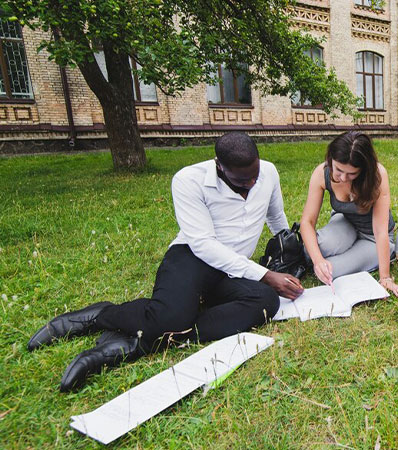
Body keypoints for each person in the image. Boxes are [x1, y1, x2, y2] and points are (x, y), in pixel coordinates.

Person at [27, 132, 304, 392]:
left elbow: (275, 217)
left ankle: (144, 338)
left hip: (233, 270)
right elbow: (203, 244)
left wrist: (289, 246)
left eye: (254, 177)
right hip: (192, 259)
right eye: (243, 181)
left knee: (266, 302)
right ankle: (100, 316)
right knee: (173, 315)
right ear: (220, 166)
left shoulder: (267, 172)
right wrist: (266, 274)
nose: (252, 184)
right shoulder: (189, 180)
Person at [299, 131, 398, 297]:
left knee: (332, 271)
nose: (343, 178)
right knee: (315, 248)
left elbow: (380, 231)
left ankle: (373, 254)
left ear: (363, 169)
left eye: (352, 174)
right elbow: (307, 222)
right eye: (339, 170)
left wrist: (385, 278)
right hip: (346, 222)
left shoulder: (377, 175)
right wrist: (318, 260)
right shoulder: (322, 172)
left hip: (372, 237)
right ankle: (338, 250)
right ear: (331, 159)